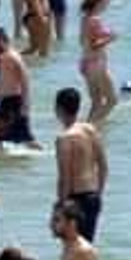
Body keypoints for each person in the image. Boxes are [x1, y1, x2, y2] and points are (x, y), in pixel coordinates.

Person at [53, 87, 107, 243]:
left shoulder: (64, 139)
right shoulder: (90, 129)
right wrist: (99, 193)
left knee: (73, 248)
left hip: (75, 199)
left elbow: (64, 178)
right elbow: (103, 166)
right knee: (87, 246)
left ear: (58, 109)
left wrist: (62, 206)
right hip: (93, 195)